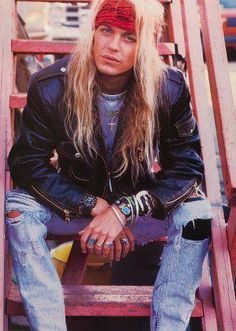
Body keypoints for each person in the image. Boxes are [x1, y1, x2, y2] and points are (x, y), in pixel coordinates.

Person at [5, 0, 213, 330]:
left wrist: (124, 211)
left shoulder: (168, 88)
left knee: (199, 216)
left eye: (129, 37)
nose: (113, 46)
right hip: (74, 209)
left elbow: (187, 169)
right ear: (93, 32)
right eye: (106, 31)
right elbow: (27, 164)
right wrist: (95, 206)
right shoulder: (51, 85)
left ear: (145, 46)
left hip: (138, 209)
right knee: (17, 210)